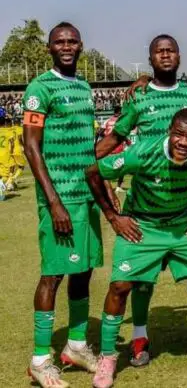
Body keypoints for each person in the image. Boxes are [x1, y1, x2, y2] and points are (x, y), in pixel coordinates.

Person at [96, 34, 187, 367]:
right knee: (141, 279)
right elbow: (117, 136)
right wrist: (85, 160)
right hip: (147, 198)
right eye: (159, 52)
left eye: (171, 51)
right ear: (151, 58)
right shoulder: (139, 96)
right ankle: (140, 335)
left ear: (179, 56)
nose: (166, 56)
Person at [87, 109, 187, 387]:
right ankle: (107, 358)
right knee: (120, 286)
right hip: (142, 225)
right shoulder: (143, 152)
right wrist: (113, 216)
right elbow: (93, 171)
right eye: (178, 134)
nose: (183, 142)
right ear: (169, 131)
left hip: (184, 224)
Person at [23, 22, 102, 387]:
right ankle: (40, 359)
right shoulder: (39, 88)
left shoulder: (84, 86)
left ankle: (76, 346)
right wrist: (53, 202)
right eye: (60, 42)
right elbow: (31, 146)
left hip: (87, 197)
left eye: (72, 41)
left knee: (83, 270)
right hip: (60, 198)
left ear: (80, 46)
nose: (67, 46)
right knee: (53, 275)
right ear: (49, 48)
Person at [100, 104, 130, 193]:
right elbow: (122, 134)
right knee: (122, 167)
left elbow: (99, 132)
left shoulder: (107, 121)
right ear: (120, 112)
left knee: (105, 167)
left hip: (107, 148)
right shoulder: (121, 121)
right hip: (118, 147)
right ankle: (118, 187)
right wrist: (128, 141)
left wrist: (104, 138)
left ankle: (106, 188)